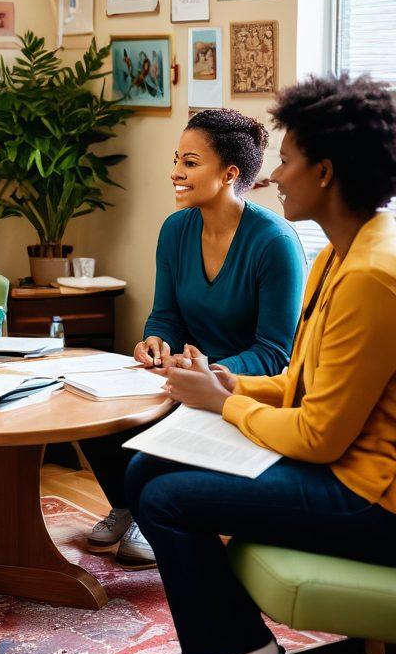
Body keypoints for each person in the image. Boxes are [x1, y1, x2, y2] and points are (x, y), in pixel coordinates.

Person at [128, 75, 396, 654]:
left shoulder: (370, 274)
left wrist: (223, 403)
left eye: (288, 159)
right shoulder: (340, 254)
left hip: (373, 497)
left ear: (325, 173)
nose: (274, 175)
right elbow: (300, 381)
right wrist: (226, 385)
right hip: (343, 465)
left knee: (166, 500)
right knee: (143, 472)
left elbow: (320, 437)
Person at [81, 110, 304, 568]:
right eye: (176, 160)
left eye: (190, 162)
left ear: (229, 174)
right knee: (92, 404)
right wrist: (155, 342)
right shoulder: (175, 229)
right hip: (182, 373)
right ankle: (128, 505)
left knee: (159, 423)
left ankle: (149, 513)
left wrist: (209, 373)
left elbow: (274, 352)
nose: (175, 173)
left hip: (238, 386)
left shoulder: (274, 242)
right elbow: (165, 316)